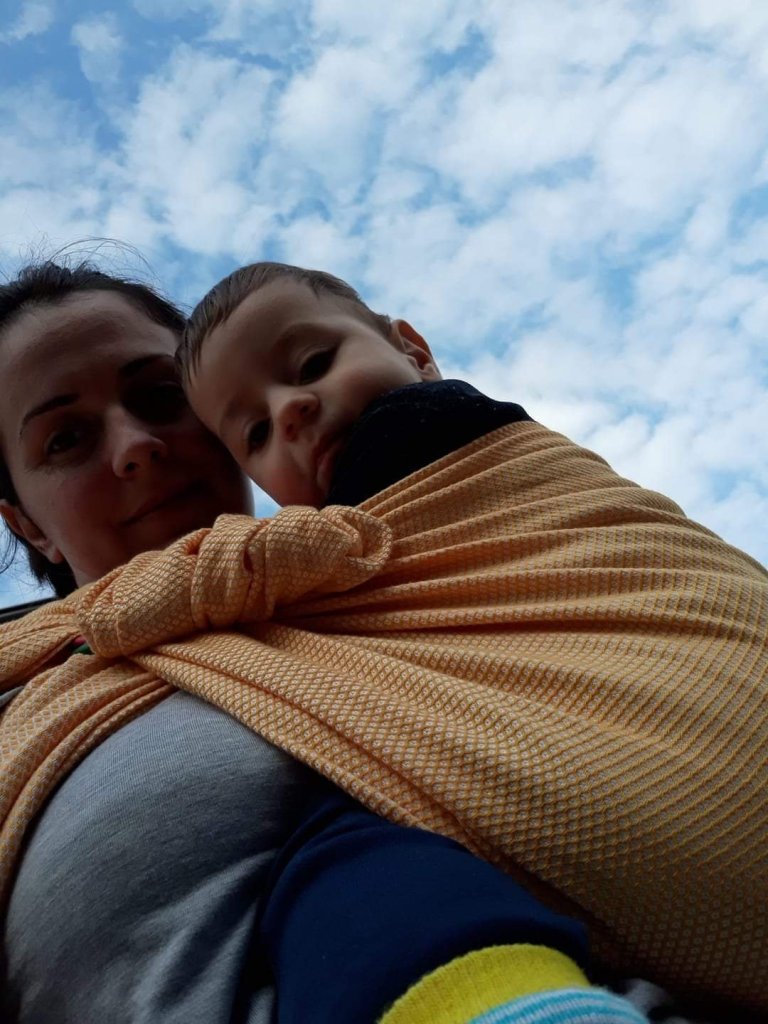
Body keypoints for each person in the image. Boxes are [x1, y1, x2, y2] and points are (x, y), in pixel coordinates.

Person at [0, 261, 650, 1024]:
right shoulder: (13, 689)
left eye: (162, 398)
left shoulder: (406, 559)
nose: (134, 445)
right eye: (66, 439)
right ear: (27, 524)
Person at [163, 261, 765, 1015]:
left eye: (313, 364)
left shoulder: (437, 427)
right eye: (254, 433)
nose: (290, 410)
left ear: (413, 350)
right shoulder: (329, 598)